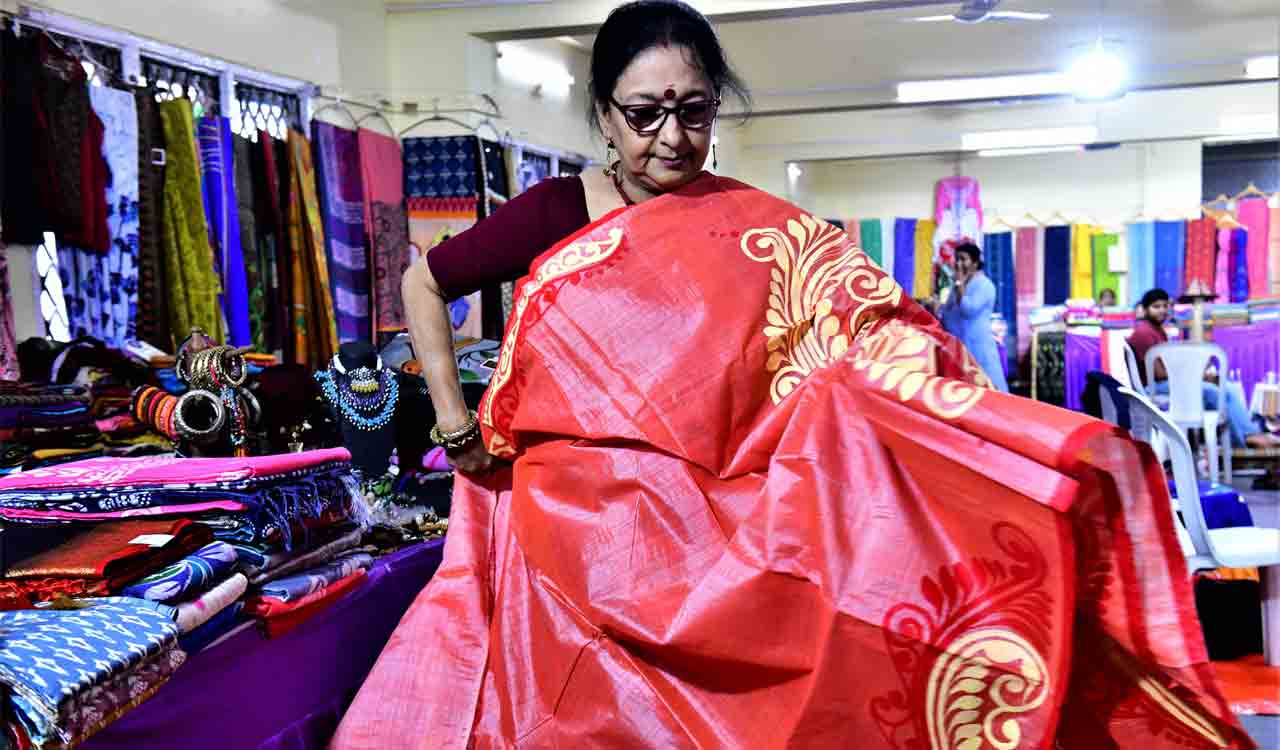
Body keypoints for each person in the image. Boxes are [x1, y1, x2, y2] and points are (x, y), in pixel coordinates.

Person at [331, 4, 1248, 748]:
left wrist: (969, 420)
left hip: (721, 523)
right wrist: (456, 426)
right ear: (605, 116)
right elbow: (423, 278)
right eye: (644, 112)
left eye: (694, 109)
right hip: (581, 535)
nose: (671, 136)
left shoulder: (756, 227)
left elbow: (855, 330)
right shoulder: (558, 212)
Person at [1128, 287, 1278, 449]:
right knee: (1215, 392)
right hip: (1154, 387)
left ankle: (1249, 435)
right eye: (1156, 307)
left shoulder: (1157, 330)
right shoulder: (1143, 333)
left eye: (1165, 306)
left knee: (1227, 388)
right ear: (1144, 309)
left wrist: (1200, 376)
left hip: (1168, 383)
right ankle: (1241, 442)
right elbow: (1159, 374)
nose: (1162, 311)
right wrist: (1198, 377)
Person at [939, 243, 1009, 392]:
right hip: (959, 348)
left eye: (963, 259)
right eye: (957, 259)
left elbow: (967, 310)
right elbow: (947, 313)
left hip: (978, 348)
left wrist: (959, 283)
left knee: (988, 392)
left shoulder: (985, 285)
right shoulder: (957, 286)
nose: (958, 263)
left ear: (975, 263)